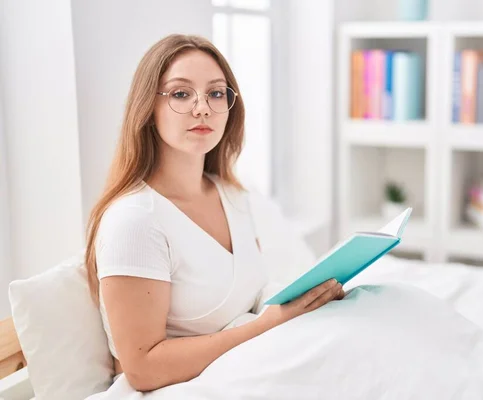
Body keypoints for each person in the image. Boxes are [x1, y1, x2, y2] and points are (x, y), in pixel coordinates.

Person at [84, 34, 344, 393]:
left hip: (252, 361)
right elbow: (141, 368)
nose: (202, 107)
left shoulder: (231, 194)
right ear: (148, 108)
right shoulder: (134, 221)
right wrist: (271, 323)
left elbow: (251, 294)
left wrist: (304, 299)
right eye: (180, 93)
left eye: (216, 93)